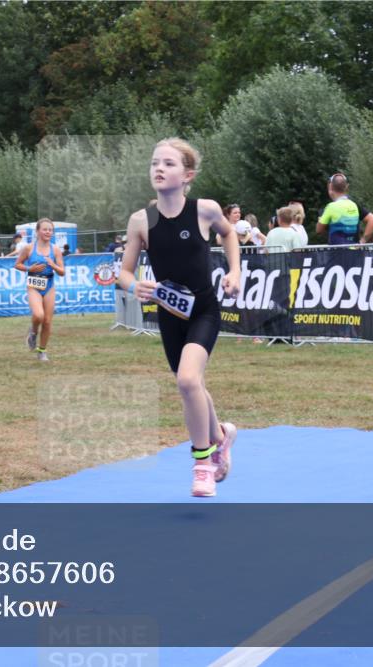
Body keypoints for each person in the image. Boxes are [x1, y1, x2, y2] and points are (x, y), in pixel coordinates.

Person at [118, 138, 241, 498]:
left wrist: (234, 272)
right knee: (193, 385)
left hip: (203, 309)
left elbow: (229, 232)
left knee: (188, 381)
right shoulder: (142, 220)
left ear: (187, 175)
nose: (159, 169)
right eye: (155, 163)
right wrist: (134, 285)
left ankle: (202, 464)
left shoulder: (204, 210)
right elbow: (124, 272)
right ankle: (221, 436)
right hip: (168, 315)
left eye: (168, 164)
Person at [15, 217, 65, 362]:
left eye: (50, 230)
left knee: (48, 321)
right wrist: (30, 268)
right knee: (38, 315)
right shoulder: (29, 248)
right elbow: (17, 264)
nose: (48, 232)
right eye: (45, 229)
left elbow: (62, 271)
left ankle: (42, 351)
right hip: (33, 284)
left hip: (49, 284)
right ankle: (33, 332)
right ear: (37, 231)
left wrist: (53, 265)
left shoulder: (55, 249)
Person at [316, 173, 373, 245]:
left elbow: (319, 230)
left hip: (337, 252)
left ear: (330, 187)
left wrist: (320, 222)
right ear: (347, 187)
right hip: (355, 251)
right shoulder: (354, 205)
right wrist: (363, 241)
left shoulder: (330, 207)